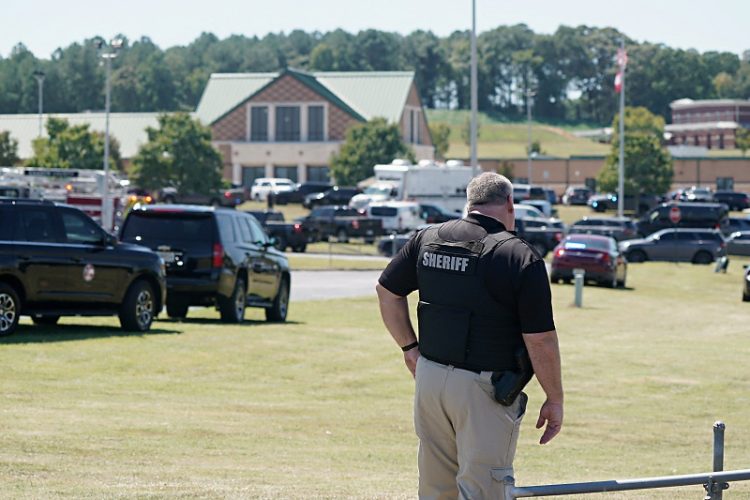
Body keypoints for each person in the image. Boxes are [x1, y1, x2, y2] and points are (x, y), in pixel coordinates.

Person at [376, 172, 563, 499]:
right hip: (483, 390)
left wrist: (409, 348)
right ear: (509, 203)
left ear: (470, 202)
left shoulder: (427, 238)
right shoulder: (519, 256)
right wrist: (555, 397)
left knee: (436, 491)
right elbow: (540, 339)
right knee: (483, 491)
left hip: (430, 380)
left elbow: (387, 292)